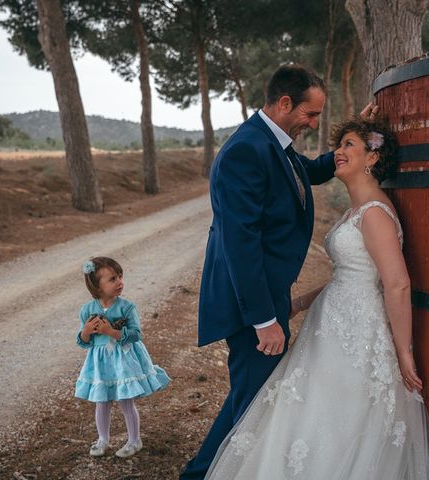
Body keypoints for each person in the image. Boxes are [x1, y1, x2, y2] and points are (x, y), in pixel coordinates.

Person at [204, 116, 429, 479]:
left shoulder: (375, 214)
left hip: (357, 336)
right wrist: (299, 303)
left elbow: (396, 285)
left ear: (373, 158)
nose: (339, 152)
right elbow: (350, 276)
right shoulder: (356, 211)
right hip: (329, 327)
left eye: (350, 145)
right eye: (340, 144)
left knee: (339, 420)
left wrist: (405, 352)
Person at [179, 64, 342, 480]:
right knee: (251, 399)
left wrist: (353, 150)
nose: (313, 123)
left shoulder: (274, 143)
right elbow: (241, 244)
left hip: (268, 295)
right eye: (311, 114)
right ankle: (200, 474)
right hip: (249, 304)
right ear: (285, 103)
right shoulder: (245, 151)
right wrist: (264, 320)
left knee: (252, 395)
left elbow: (306, 174)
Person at [75, 256, 169, 458]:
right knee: (102, 401)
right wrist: (86, 331)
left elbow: (136, 334)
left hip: (123, 359)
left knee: (126, 400)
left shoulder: (126, 307)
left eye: (120, 276)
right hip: (100, 363)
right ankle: (103, 439)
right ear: (96, 286)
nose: (120, 282)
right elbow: (83, 342)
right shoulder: (87, 310)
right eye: (112, 279)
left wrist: (111, 332)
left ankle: (134, 440)